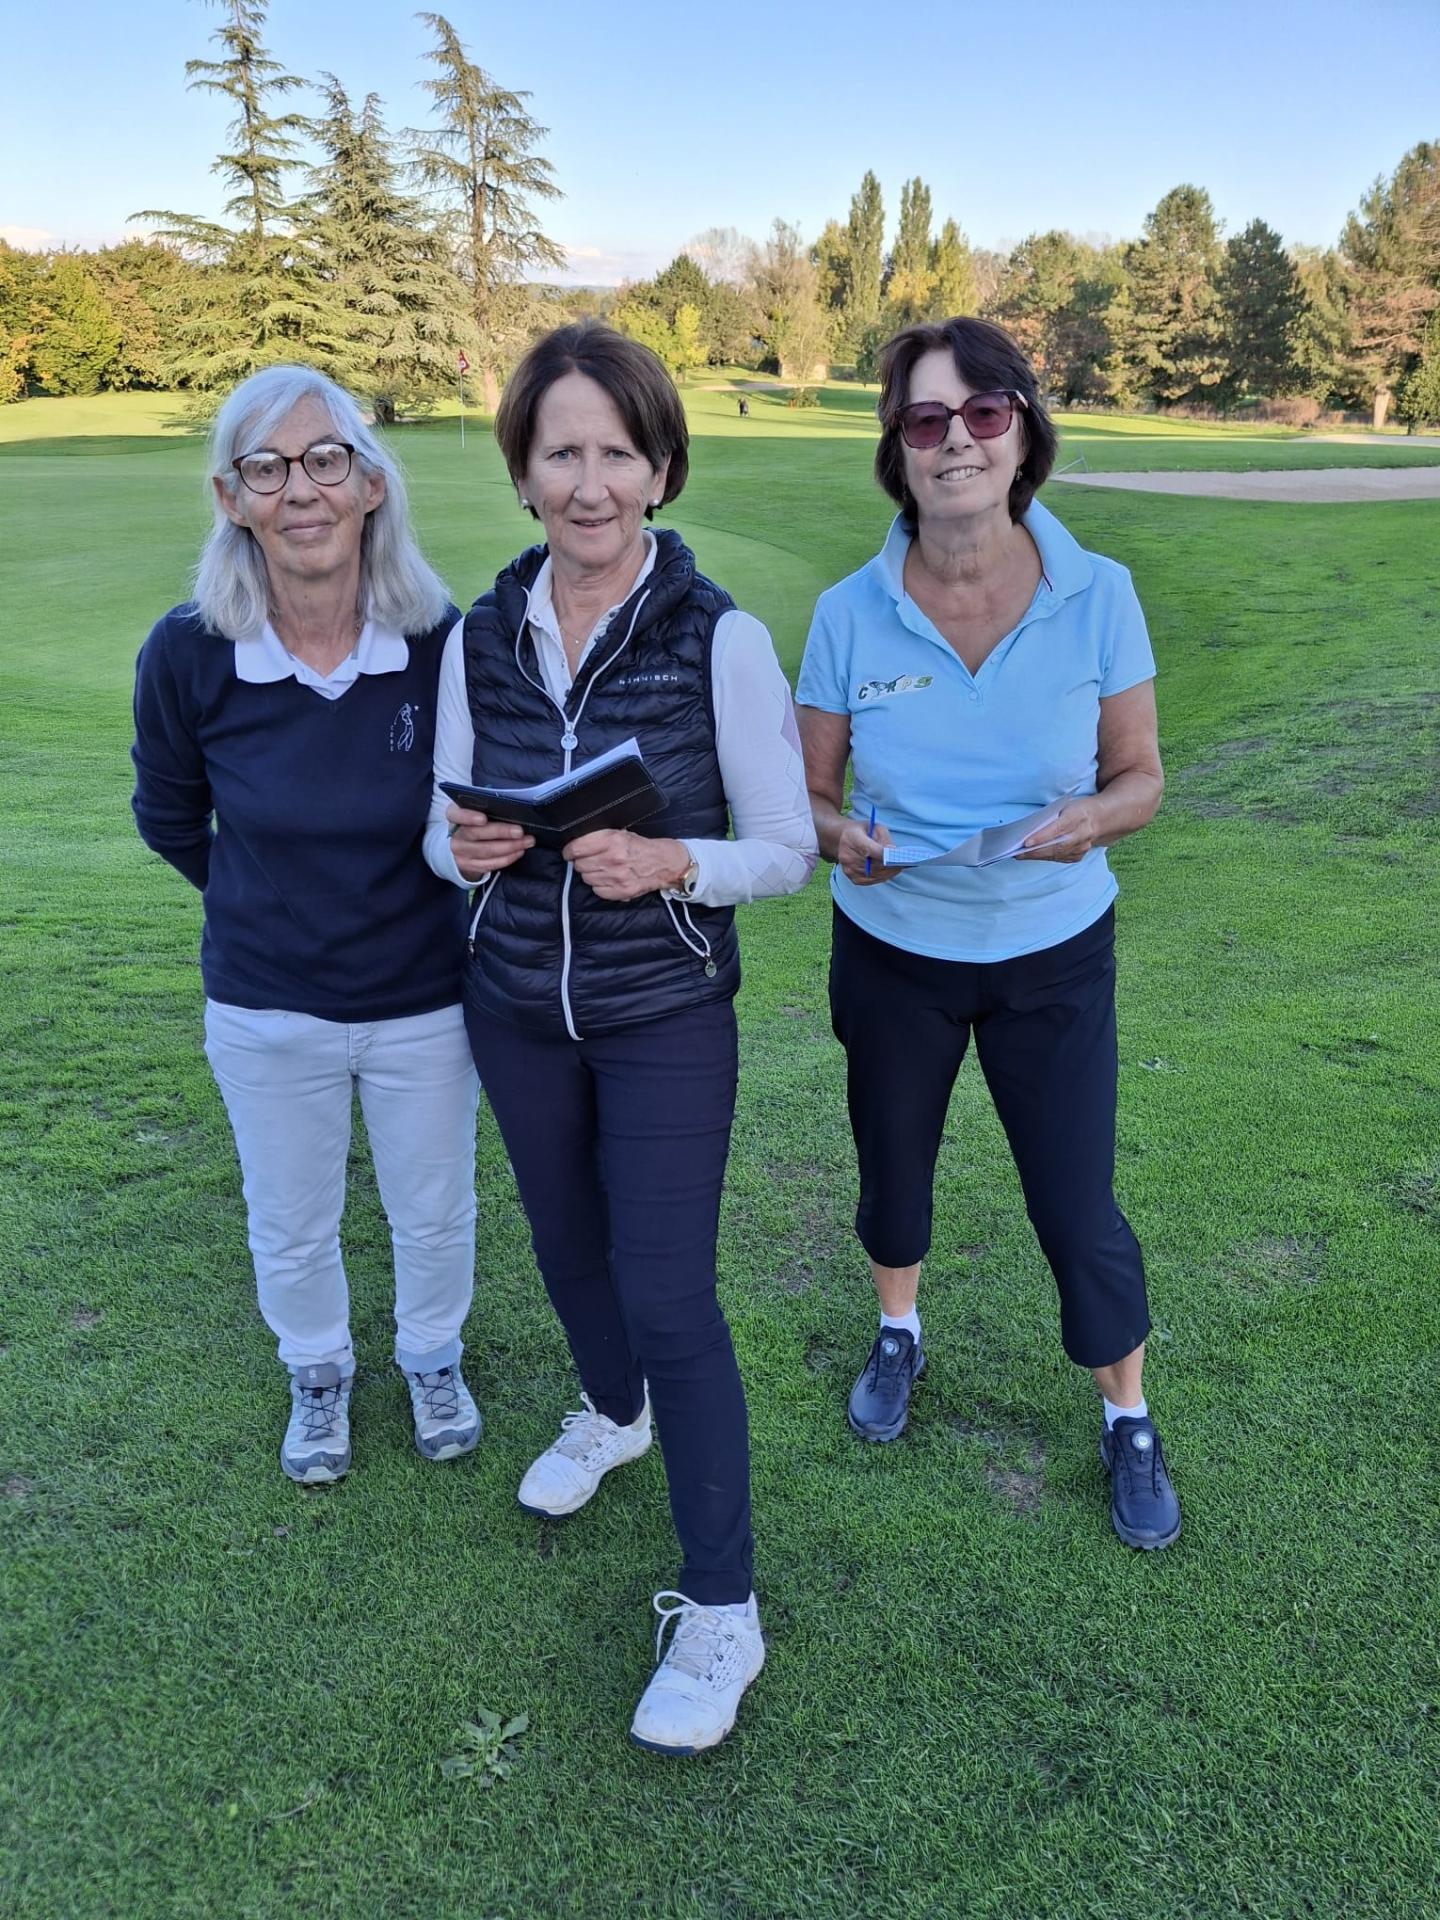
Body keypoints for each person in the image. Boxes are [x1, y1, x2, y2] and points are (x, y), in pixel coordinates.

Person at [426, 320, 817, 1751]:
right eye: (559, 452)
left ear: (660, 467)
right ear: (523, 472)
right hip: (516, 1006)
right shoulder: (486, 629)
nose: (587, 483)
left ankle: (723, 1613)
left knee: (669, 1294)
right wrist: (456, 848)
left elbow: (783, 847)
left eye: (615, 451)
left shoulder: (722, 636)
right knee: (565, 1251)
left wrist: (677, 864)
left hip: (661, 1013)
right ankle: (611, 1415)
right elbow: (437, 824)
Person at [795, 317, 1180, 1550]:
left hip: (1052, 952)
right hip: (895, 949)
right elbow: (801, 798)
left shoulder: (1101, 595)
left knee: (1075, 1203)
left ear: (1022, 432)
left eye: (982, 412)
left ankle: (1126, 1416)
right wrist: (839, 838)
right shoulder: (848, 614)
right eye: (924, 419)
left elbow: (1142, 780)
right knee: (893, 1175)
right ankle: (898, 1332)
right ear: (896, 453)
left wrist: (1090, 820)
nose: (955, 439)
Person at [131, 365, 481, 1487]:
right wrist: (263, 902)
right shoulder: (186, 652)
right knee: (290, 1220)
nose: (301, 491)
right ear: (231, 498)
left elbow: (471, 812)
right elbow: (171, 816)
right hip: (266, 1004)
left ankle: (432, 1356)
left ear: (371, 483)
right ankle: (319, 1373)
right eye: (266, 468)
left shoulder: (442, 642)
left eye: (326, 459)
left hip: (425, 998)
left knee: (433, 1210)